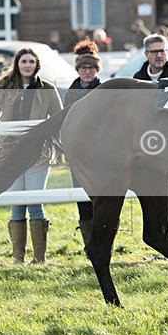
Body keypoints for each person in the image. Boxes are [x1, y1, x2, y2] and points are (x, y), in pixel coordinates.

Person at [0, 47, 63, 264]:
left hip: (38, 153)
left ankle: (39, 259)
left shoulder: (48, 89)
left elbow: (57, 121)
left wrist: (47, 148)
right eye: (23, 61)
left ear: (36, 64)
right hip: (11, 153)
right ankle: (18, 259)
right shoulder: (5, 87)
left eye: (31, 61)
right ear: (17, 64)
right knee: (17, 203)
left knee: (35, 202)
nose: (27, 65)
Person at [132, 33, 168, 248]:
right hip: (149, 142)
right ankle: (162, 241)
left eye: (163, 50)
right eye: (155, 51)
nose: (159, 55)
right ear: (146, 54)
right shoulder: (139, 76)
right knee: (154, 195)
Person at [63, 39, 103, 252]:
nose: (87, 72)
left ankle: (103, 242)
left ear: (97, 69)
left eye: (91, 68)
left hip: (102, 154)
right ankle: (90, 245)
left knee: (102, 199)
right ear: (78, 70)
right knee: (82, 199)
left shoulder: (105, 90)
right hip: (78, 154)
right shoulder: (70, 93)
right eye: (83, 68)